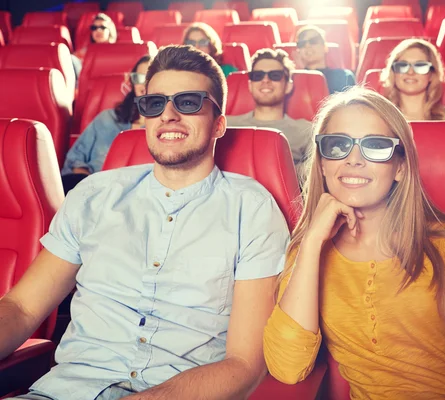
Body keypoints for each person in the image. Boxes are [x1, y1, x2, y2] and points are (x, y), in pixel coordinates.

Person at [0, 45, 289, 400]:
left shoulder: (253, 209)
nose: (168, 115)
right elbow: (22, 307)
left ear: (219, 124)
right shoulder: (94, 196)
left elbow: (246, 364)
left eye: (188, 102)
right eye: (155, 104)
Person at [263, 86, 445, 399]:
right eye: (337, 145)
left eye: (375, 146)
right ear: (322, 163)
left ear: (401, 166)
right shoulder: (310, 251)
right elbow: (287, 368)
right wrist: (310, 244)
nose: (354, 160)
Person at [61, 54, 151, 194]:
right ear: (132, 82)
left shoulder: (164, 129)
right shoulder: (107, 118)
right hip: (90, 190)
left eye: (150, 78)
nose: (144, 84)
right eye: (138, 78)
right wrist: (91, 186)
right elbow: (75, 159)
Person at [227, 48, 312, 174]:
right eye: (258, 76)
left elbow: (314, 175)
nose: (265, 80)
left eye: (275, 75)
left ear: (288, 86)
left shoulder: (305, 130)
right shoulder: (227, 125)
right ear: (250, 85)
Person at [380, 38, 445, 121]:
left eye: (420, 66)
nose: (410, 72)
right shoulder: (378, 117)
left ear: (432, 74)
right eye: (402, 65)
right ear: (393, 73)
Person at [295, 25, 356, 94]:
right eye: (302, 44)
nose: (307, 45)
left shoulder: (344, 77)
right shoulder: (293, 80)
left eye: (313, 41)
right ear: (298, 52)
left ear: (325, 47)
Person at [72, 13, 117, 78]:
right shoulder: (86, 51)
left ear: (110, 31)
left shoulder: (117, 51)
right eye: (94, 28)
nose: (98, 30)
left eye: (102, 27)